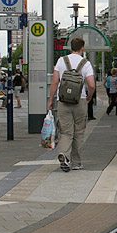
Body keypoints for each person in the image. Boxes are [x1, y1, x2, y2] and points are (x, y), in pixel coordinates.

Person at [48, 37, 96, 172]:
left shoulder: (61, 61)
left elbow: (55, 82)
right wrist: (89, 97)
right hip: (79, 100)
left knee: (65, 131)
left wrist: (51, 99)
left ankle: (64, 153)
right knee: (79, 132)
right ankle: (76, 162)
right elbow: (91, 85)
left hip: (63, 100)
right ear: (82, 48)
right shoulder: (85, 63)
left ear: (70, 47)